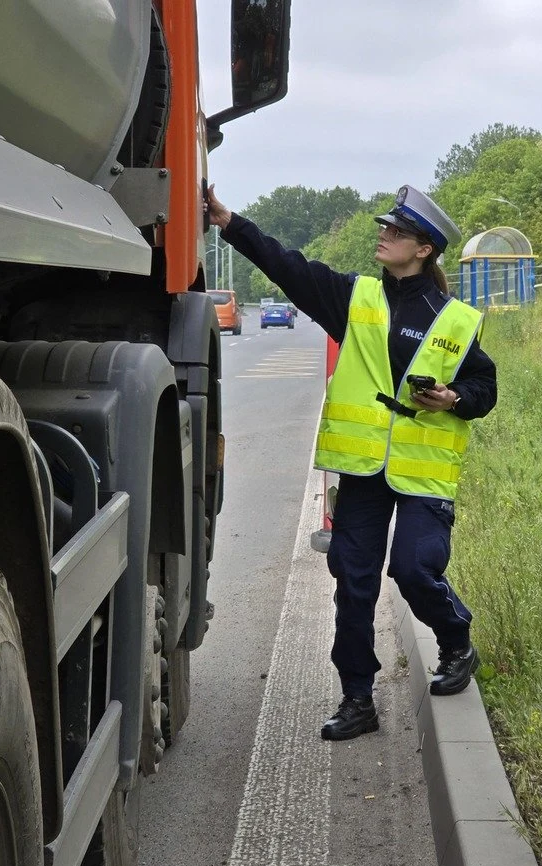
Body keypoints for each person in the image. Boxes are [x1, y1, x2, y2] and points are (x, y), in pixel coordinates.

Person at [207, 184, 498, 741]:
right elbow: (288, 267)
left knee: (414, 569)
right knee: (354, 579)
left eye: (396, 231)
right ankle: (358, 698)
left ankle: (456, 639)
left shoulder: (456, 319)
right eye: (384, 227)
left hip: (422, 471)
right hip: (364, 471)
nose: (383, 235)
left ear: (424, 249)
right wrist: (230, 222)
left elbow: (485, 385)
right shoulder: (355, 297)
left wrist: (454, 397)